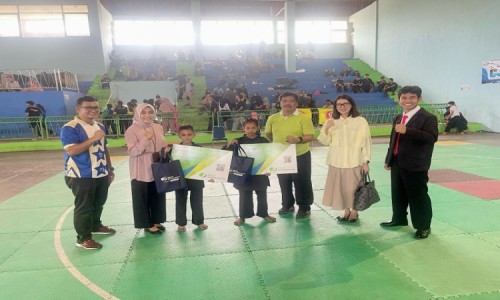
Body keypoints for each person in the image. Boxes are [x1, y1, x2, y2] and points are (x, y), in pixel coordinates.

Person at [381, 86, 438, 240]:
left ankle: (423, 226)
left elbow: (431, 138)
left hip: (416, 164)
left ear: (419, 99)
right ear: (399, 100)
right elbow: (393, 140)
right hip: (397, 163)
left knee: (417, 196)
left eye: (412, 97)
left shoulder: (428, 117)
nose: (407, 101)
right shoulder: (398, 117)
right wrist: (389, 159)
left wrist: (408, 131)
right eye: (404, 98)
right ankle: (399, 219)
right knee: (397, 193)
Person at [60, 96, 116, 250]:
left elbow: (104, 149)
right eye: (88, 107)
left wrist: (110, 169)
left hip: (101, 173)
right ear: (78, 109)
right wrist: (93, 139)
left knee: (99, 202)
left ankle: (96, 226)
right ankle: (83, 238)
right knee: (84, 207)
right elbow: (72, 150)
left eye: (95, 107)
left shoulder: (100, 126)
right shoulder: (70, 127)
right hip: (80, 175)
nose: (93, 110)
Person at [317, 95, 372, 222]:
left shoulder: (360, 121)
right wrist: (327, 127)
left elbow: (366, 142)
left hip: (355, 160)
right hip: (336, 161)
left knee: (354, 188)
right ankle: (346, 210)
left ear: (351, 105)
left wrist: (366, 161)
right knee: (341, 188)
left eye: (345, 103)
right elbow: (323, 141)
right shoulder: (331, 121)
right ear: (335, 107)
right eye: (339, 104)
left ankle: (354, 211)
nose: (342, 106)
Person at [264, 92, 315, 219]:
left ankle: (304, 207)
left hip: (300, 154)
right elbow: (269, 135)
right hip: (280, 156)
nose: (288, 103)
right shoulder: (273, 118)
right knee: (284, 181)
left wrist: (298, 139)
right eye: (284, 101)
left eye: (291, 101)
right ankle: (287, 205)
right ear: (280, 103)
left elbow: (310, 136)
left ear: (296, 103)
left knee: (302, 181)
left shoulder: (304, 118)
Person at [222, 119, 277, 226]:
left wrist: (269, 168)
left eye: (253, 128)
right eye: (248, 128)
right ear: (243, 129)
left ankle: (264, 214)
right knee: (244, 195)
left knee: (262, 194)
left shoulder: (263, 141)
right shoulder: (238, 141)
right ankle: (242, 216)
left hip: (260, 173)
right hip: (244, 174)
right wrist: (229, 144)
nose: (250, 130)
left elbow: (270, 156)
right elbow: (225, 153)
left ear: (257, 128)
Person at [125, 104, 168, 234]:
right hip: (141, 168)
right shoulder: (131, 130)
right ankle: (146, 223)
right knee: (142, 197)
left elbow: (162, 144)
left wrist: (166, 150)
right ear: (137, 113)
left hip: (157, 166)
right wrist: (146, 138)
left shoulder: (158, 127)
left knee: (158, 194)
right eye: (143, 112)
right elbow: (133, 152)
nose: (147, 115)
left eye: (150, 112)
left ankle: (156, 220)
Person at [173, 125, 208, 231]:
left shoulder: (200, 149)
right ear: (179, 136)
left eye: (189, 134)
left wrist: (209, 175)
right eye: (183, 135)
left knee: (197, 201)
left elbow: (206, 164)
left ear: (194, 135)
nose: (186, 137)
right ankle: (181, 223)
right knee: (180, 201)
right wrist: (167, 151)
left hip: (196, 179)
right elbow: (169, 163)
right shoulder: (174, 149)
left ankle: (199, 222)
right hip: (181, 179)